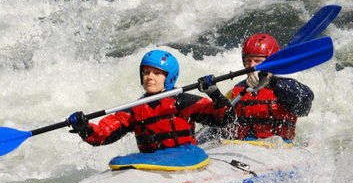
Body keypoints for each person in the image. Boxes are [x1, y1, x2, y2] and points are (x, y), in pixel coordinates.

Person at [67, 50, 233, 153]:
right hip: (151, 165)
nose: (149, 77)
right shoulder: (134, 110)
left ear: (169, 77)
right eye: (146, 72)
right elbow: (103, 135)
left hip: (186, 158)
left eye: (157, 73)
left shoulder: (183, 102)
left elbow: (226, 118)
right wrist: (85, 128)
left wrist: (214, 93)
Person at [223, 33, 314, 142]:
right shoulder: (237, 90)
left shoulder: (286, 88)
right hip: (241, 148)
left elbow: (305, 104)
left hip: (279, 149)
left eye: (257, 61)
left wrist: (271, 82)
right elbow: (219, 123)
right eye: (248, 61)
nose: (251, 66)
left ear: (271, 63)